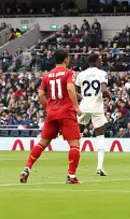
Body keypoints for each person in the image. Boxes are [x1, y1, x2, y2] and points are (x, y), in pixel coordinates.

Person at [20, 49, 82, 184]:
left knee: (42, 143)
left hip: (52, 113)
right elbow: (71, 89)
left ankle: (27, 167)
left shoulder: (47, 75)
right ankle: (71, 175)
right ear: (66, 59)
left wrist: (47, 107)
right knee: (74, 144)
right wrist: (76, 107)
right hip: (66, 112)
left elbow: (41, 94)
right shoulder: (70, 73)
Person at [75, 52, 109, 176]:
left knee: (78, 136)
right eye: (100, 60)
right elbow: (104, 90)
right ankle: (99, 166)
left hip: (84, 106)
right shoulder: (102, 73)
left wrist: (82, 98)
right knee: (100, 137)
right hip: (97, 107)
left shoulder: (81, 74)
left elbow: (73, 90)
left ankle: (72, 167)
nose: (102, 62)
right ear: (94, 62)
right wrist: (109, 96)